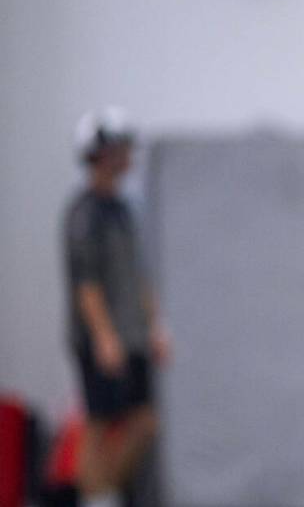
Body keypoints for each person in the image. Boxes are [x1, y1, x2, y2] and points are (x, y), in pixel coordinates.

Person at [64, 107, 170, 507]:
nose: (127, 156)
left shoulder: (122, 211)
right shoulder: (85, 214)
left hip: (133, 334)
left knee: (145, 422)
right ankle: (96, 498)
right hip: (103, 339)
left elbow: (137, 276)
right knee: (98, 422)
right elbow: (86, 284)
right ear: (101, 153)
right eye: (120, 148)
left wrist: (155, 326)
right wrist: (104, 336)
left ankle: (104, 491)